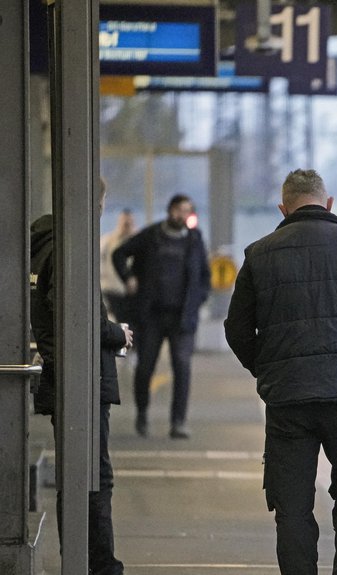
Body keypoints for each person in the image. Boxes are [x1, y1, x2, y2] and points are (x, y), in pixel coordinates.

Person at [224, 169, 337, 575]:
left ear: (283, 208)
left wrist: (269, 369)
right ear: (328, 204)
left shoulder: (259, 253)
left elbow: (235, 329)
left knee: (291, 508)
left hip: (289, 402)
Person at [30, 180, 133, 575]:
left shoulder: (42, 241)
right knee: (93, 475)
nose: (103, 212)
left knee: (75, 472)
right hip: (82, 377)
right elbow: (73, 314)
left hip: (64, 374)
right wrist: (115, 334)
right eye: (102, 204)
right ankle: (99, 565)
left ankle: (82, 557)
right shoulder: (70, 244)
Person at [112, 194, 211, 439]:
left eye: (187, 211)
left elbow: (204, 276)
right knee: (145, 367)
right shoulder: (151, 235)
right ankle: (142, 415)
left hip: (182, 317)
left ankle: (178, 422)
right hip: (151, 316)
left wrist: (198, 300)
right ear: (169, 211)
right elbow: (119, 254)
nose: (182, 215)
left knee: (182, 366)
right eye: (178, 210)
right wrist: (128, 278)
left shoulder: (195, 239)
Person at [99, 208, 136, 323]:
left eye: (129, 223)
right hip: (112, 290)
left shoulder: (138, 241)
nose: (126, 225)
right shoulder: (107, 241)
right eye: (124, 222)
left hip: (132, 293)